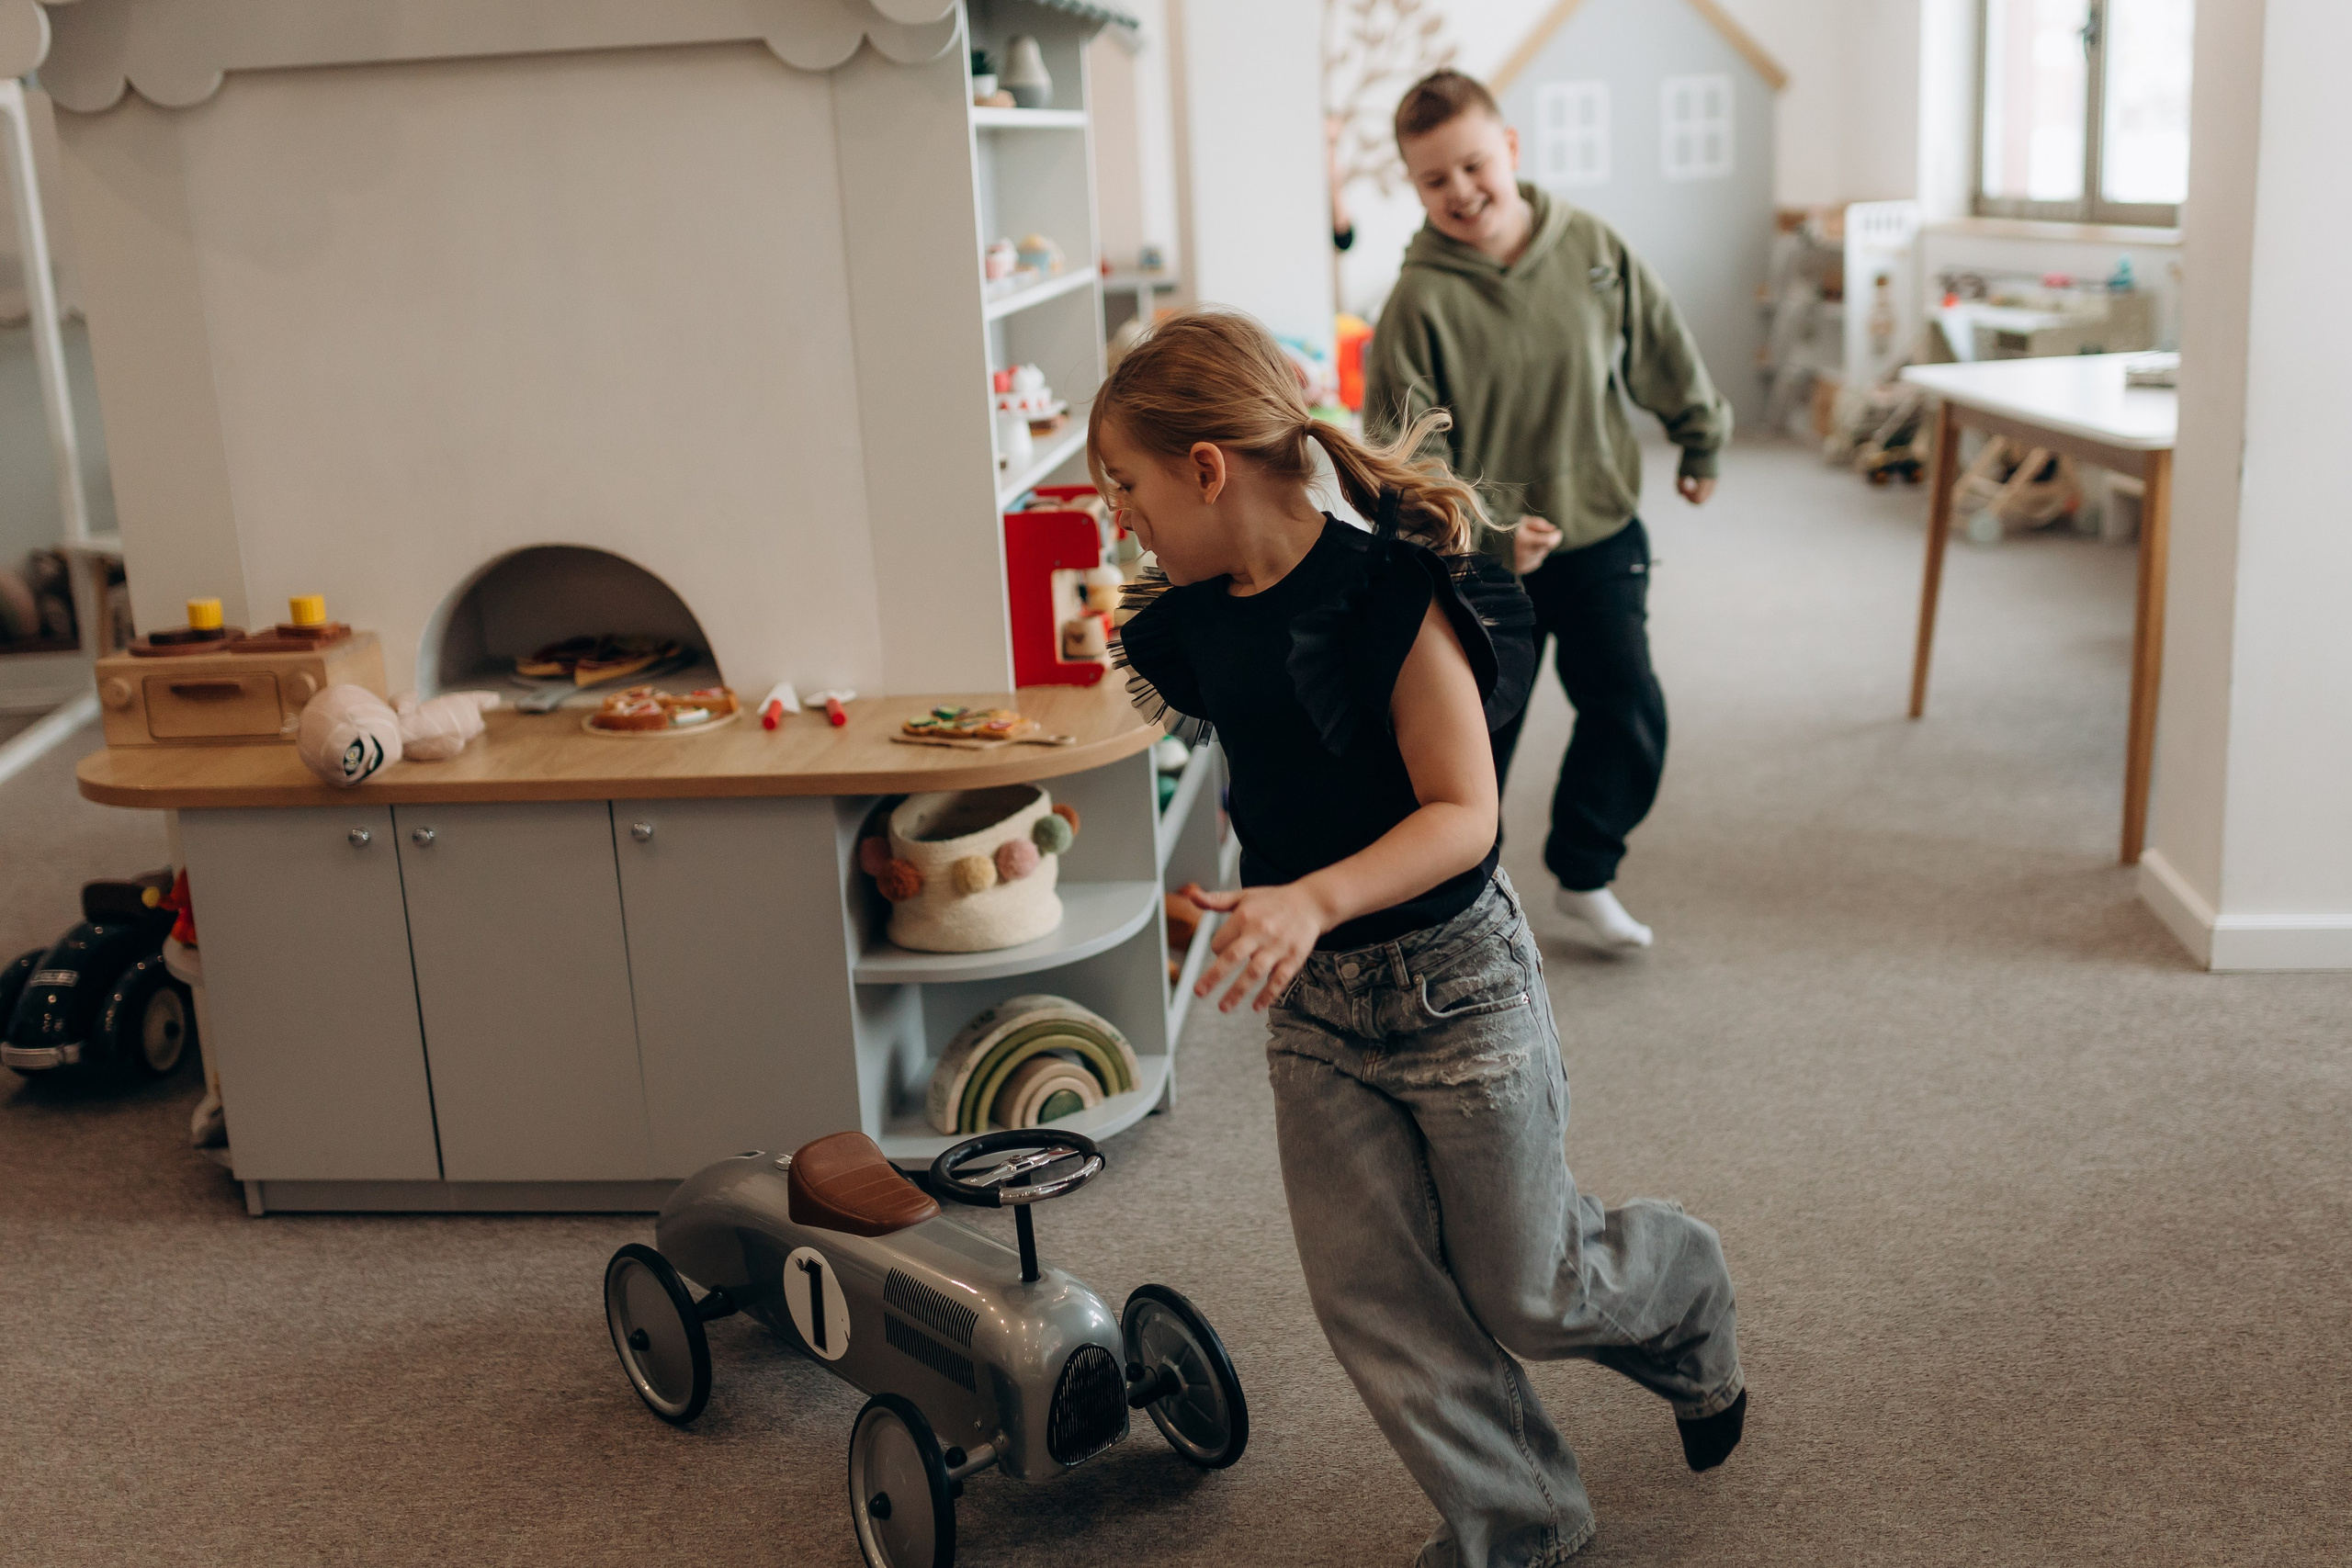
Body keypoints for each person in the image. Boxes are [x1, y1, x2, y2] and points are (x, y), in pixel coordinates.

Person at [1091, 307, 1746, 1568]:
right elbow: (1271, 773)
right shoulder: (1195, 612)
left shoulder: (1386, 597)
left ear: (1207, 467)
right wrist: (1243, 899)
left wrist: (1313, 895)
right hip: (1319, 1012)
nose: (1120, 516)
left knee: (1531, 1289)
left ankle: (1686, 1282)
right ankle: (1526, 1520)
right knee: (1374, 1296)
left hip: (1458, 989)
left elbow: (1467, 814)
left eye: (1126, 484)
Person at [1363, 69, 1732, 953]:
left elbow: (1662, 344)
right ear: (1414, 187)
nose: (1460, 191)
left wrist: (1700, 436)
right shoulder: (1418, 300)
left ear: (1512, 150)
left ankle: (1586, 869)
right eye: (1433, 179)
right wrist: (1486, 530)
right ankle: (1452, 907)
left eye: (1474, 165)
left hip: (1601, 530)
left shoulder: (1592, 249)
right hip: (1486, 568)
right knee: (1474, 743)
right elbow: (1407, 456)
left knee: (1628, 709)